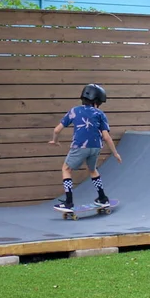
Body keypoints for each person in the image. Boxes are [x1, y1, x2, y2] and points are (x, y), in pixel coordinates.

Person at [49, 83, 122, 211]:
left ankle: (69, 202)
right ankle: (103, 198)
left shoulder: (74, 111)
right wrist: (115, 153)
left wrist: (55, 141)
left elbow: (56, 130)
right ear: (97, 101)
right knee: (92, 170)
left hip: (80, 146)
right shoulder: (100, 114)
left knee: (66, 169)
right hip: (96, 147)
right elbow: (106, 137)